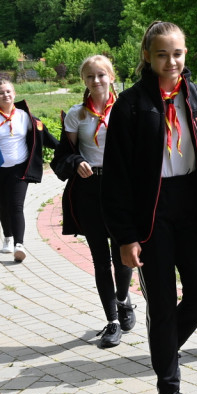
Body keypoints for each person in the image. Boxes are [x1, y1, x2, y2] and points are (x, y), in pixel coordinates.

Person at [101, 21, 197, 394]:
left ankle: (163, 349)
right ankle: (169, 390)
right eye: (161, 54)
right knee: (160, 302)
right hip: (151, 214)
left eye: (177, 53)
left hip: (192, 207)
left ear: (186, 53)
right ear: (147, 57)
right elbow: (116, 177)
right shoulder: (132, 105)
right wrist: (124, 237)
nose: (170, 61)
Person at [51, 55, 135, 349]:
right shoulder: (77, 115)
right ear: (83, 81)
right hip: (90, 189)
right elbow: (62, 154)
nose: (96, 81)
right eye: (90, 76)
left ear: (112, 76)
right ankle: (112, 320)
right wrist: (76, 162)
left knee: (123, 253)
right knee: (100, 258)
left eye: (101, 75)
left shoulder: (126, 107)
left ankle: (124, 300)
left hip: (121, 188)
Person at [0, 79, 58, 263]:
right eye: (1, 93)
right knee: (4, 205)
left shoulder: (26, 117)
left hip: (19, 169)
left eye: (8, 92)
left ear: (14, 94)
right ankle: (7, 237)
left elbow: (46, 137)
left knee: (16, 205)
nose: (5, 95)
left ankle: (19, 245)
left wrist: (66, 150)